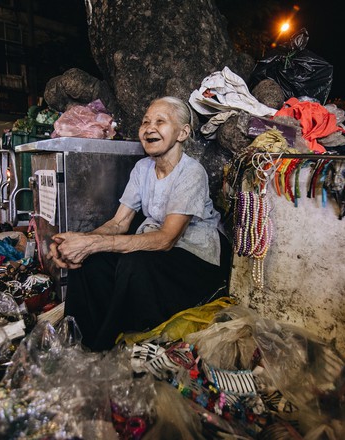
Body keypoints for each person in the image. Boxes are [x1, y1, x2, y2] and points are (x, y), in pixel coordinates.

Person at [49, 96, 230, 351]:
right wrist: (80, 242)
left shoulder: (191, 172)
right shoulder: (142, 168)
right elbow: (119, 222)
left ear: (182, 133)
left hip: (197, 258)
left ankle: (107, 347)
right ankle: (79, 342)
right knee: (91, 262)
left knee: (133, 264)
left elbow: (167, 239)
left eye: (160, 121)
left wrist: (93, 243)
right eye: (145, 122)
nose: (149, 128)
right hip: (158, 248)